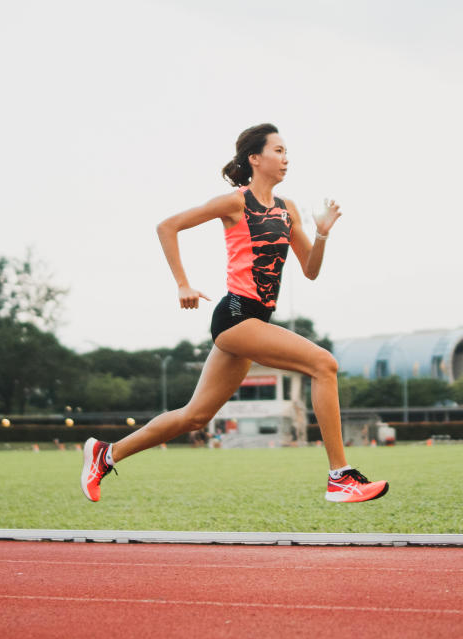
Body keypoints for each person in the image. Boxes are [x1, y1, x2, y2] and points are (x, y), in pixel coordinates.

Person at [81, 123, 388, 504]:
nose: (285, 157)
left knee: (195, 417)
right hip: (236, 316)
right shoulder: (235, 203)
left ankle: (106, 454)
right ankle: (340, 477)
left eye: (286, 151)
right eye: (278, 150)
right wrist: (182, 283)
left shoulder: (287, 209)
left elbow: (310, 269)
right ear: (255, 159)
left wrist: (322, 234)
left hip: (256, 322)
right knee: (323, 364)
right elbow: (167, 226)